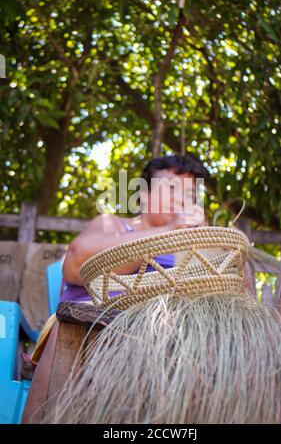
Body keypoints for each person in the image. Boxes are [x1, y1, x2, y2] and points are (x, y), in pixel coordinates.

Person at [22, 154, 254, 423]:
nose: (182, 199)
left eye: (191, 193)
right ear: (143, 195)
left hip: (175, 338)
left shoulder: (195, 245)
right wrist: (168, 231)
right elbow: (76, 262)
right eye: (170, 188)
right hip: (97, 330)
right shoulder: (113, 224)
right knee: (69, 324)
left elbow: (243, 297)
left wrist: (211, 244)